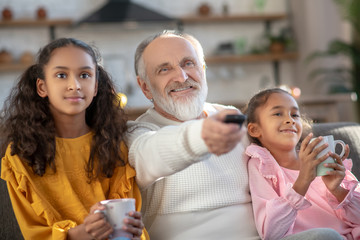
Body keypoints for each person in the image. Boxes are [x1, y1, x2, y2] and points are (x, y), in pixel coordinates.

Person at [0, 38, 148, 240]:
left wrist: (134, 229)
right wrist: (81, 233)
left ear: (95, 87)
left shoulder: (114, 146)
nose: (75, 85)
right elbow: (33, 234)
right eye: (61, 75)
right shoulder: (20, 155)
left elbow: (132, 223)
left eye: (84, 75)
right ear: (42, 87)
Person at [126, 30, 259, 240]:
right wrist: (202, 136)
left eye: (188, 63)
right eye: (164, 69)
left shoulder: (232, 116)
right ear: (145, 87)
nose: (181, 76)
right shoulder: (137, 133)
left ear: (203, 70)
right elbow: (150, 153)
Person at [244, 88, 360, 240]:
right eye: (278, 113)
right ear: (254, 129)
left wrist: (337, 190)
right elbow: (270, 232)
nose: (290, 120)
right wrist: (303, 180)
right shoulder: (261, 165)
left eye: (295, 114)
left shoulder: (322, 157)